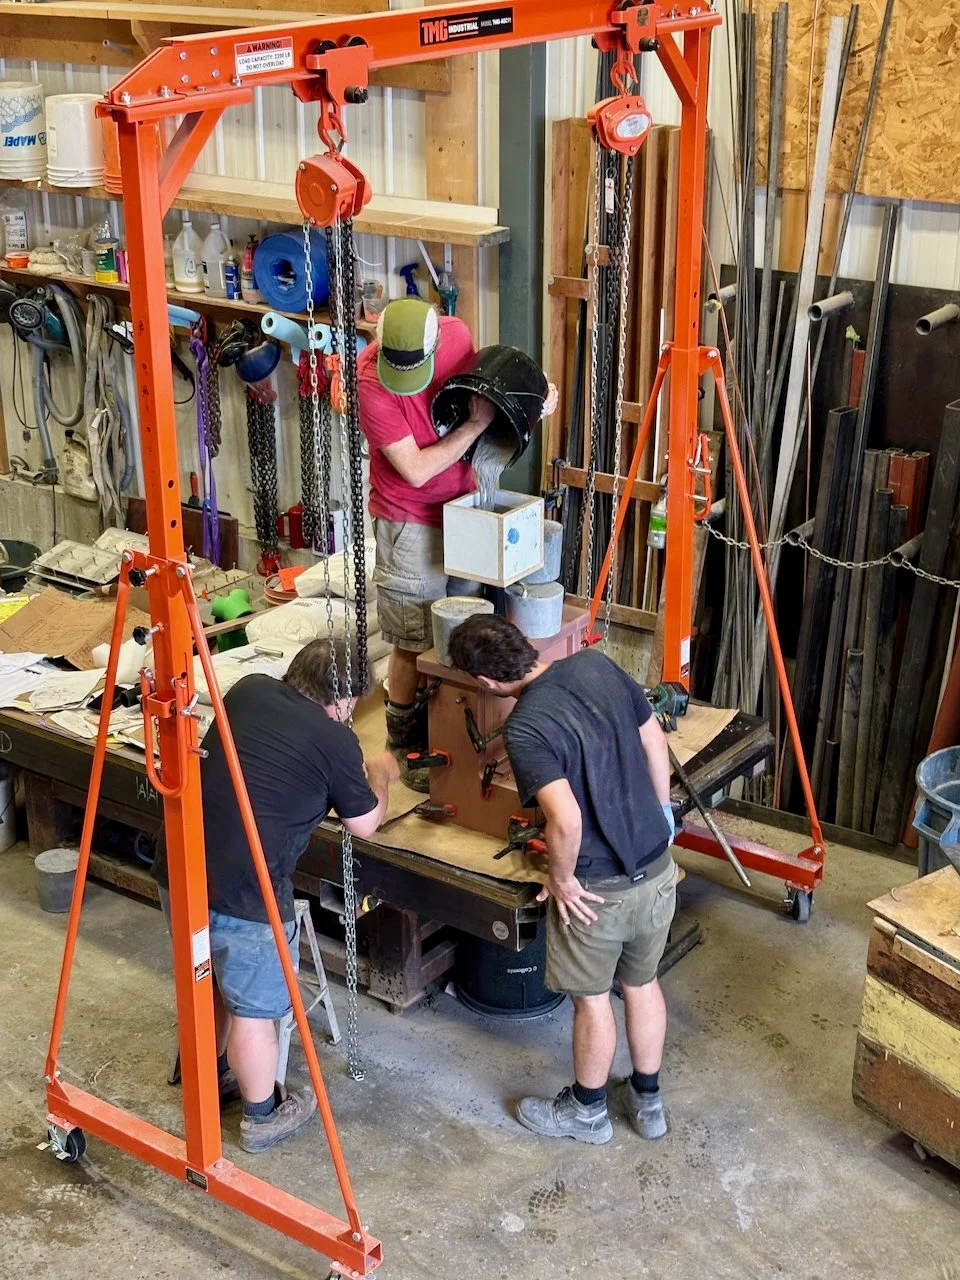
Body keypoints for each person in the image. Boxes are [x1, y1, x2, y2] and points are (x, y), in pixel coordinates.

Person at [153, 637, 399, 1154]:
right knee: (255, 1010)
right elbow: (366, 824)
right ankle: (263, 1115)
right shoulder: (337, 742)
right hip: (247, 896)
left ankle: (210, 1071)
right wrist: (380, 773)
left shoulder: (246, 690)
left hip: (178, 866)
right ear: (345, 701)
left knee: (208, 977)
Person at [448, 615, 678, 1145]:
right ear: (525, 644)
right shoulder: (596, 665)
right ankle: (648, 1103)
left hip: (601, 891)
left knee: (592, 999)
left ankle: (588, 1112)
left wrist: (562, 878)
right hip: (657, 869)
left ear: (485, 683)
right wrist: (661, 814)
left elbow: (566, 821)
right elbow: (654, 742)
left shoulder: (526, 727)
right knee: (641, 983)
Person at [357, 297, 557, 785]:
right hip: (410, 519)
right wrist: (475, 424)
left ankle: (450, 737)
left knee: (462, 634)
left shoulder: (457, 336)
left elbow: (490, 394)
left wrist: (534, 403)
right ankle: (403, 748)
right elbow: (418, 470)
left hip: (465, 509)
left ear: (434, 344)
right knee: (411, 641)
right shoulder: (369, 384)